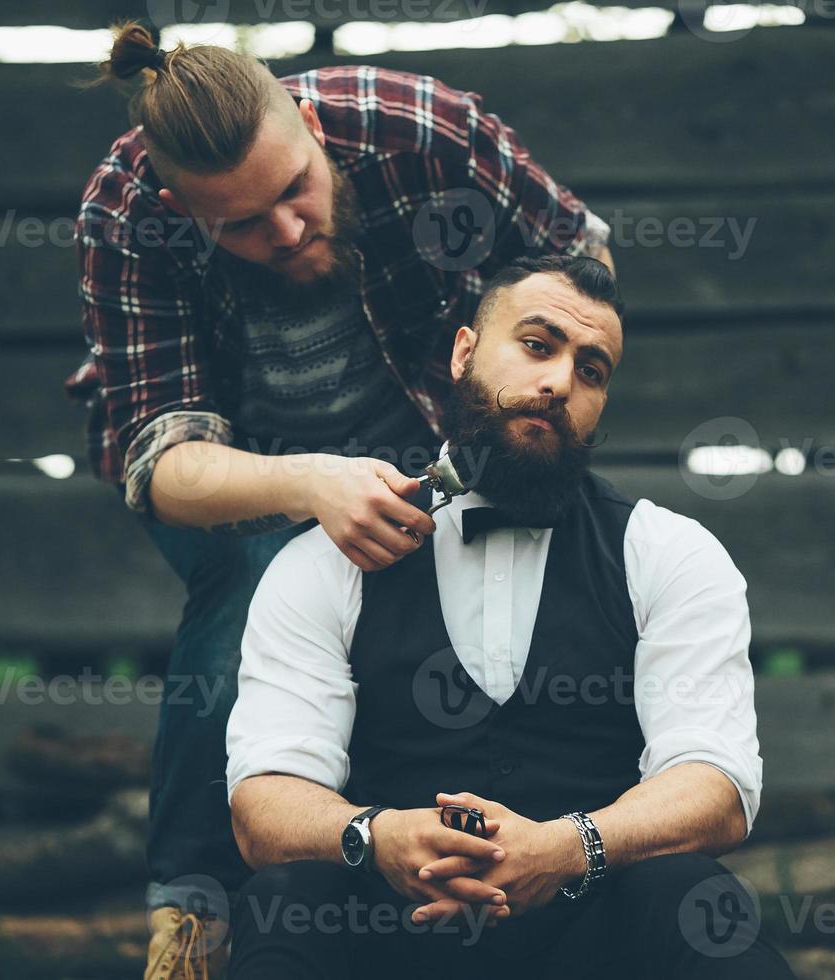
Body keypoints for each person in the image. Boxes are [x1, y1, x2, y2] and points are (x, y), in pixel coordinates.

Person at [64, 24, 615, 978]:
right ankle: (195, 915)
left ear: (310, 127)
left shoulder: (423, 128)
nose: (283, 231)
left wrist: (512, 386)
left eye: (294, 190)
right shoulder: (123, 215)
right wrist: (311, 485)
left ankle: (487, 872)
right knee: (255, 584)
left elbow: (583, 265)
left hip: (436, 443)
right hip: (248, 477)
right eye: (237, 223)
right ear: (176, 204)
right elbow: (164, 464)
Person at [225, 256, 795, 979]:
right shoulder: (327, 561)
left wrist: (570, 848)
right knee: (287, 896)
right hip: (392, 942)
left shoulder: (669, 552)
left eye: (591, 370)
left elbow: (715, 786)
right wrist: (376, 835)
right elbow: (263, 800)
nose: (559, 381)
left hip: (592, 945)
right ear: (464, 353)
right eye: (536, 345)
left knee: (687, 893)